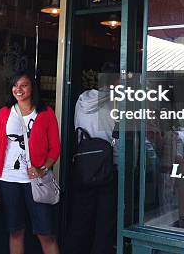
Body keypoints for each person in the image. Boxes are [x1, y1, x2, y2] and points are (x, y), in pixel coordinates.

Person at [0, 72, 61, 254]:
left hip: (36, 183)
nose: (18, 89)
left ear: (32, 87)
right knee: (15, 231)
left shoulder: (45, 113)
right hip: (8, 179)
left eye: (23, 85)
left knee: (46, 233)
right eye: (15, 86)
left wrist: (43, 169)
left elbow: (55, 149)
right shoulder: (4, 114)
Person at [66, 63, 118, 254]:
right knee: (105, 225)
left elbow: (76, 129)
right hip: (107, 168)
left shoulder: (81, 101)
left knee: (80, 220)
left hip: (83, 167)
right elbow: (118, 138)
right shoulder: (115, 103)